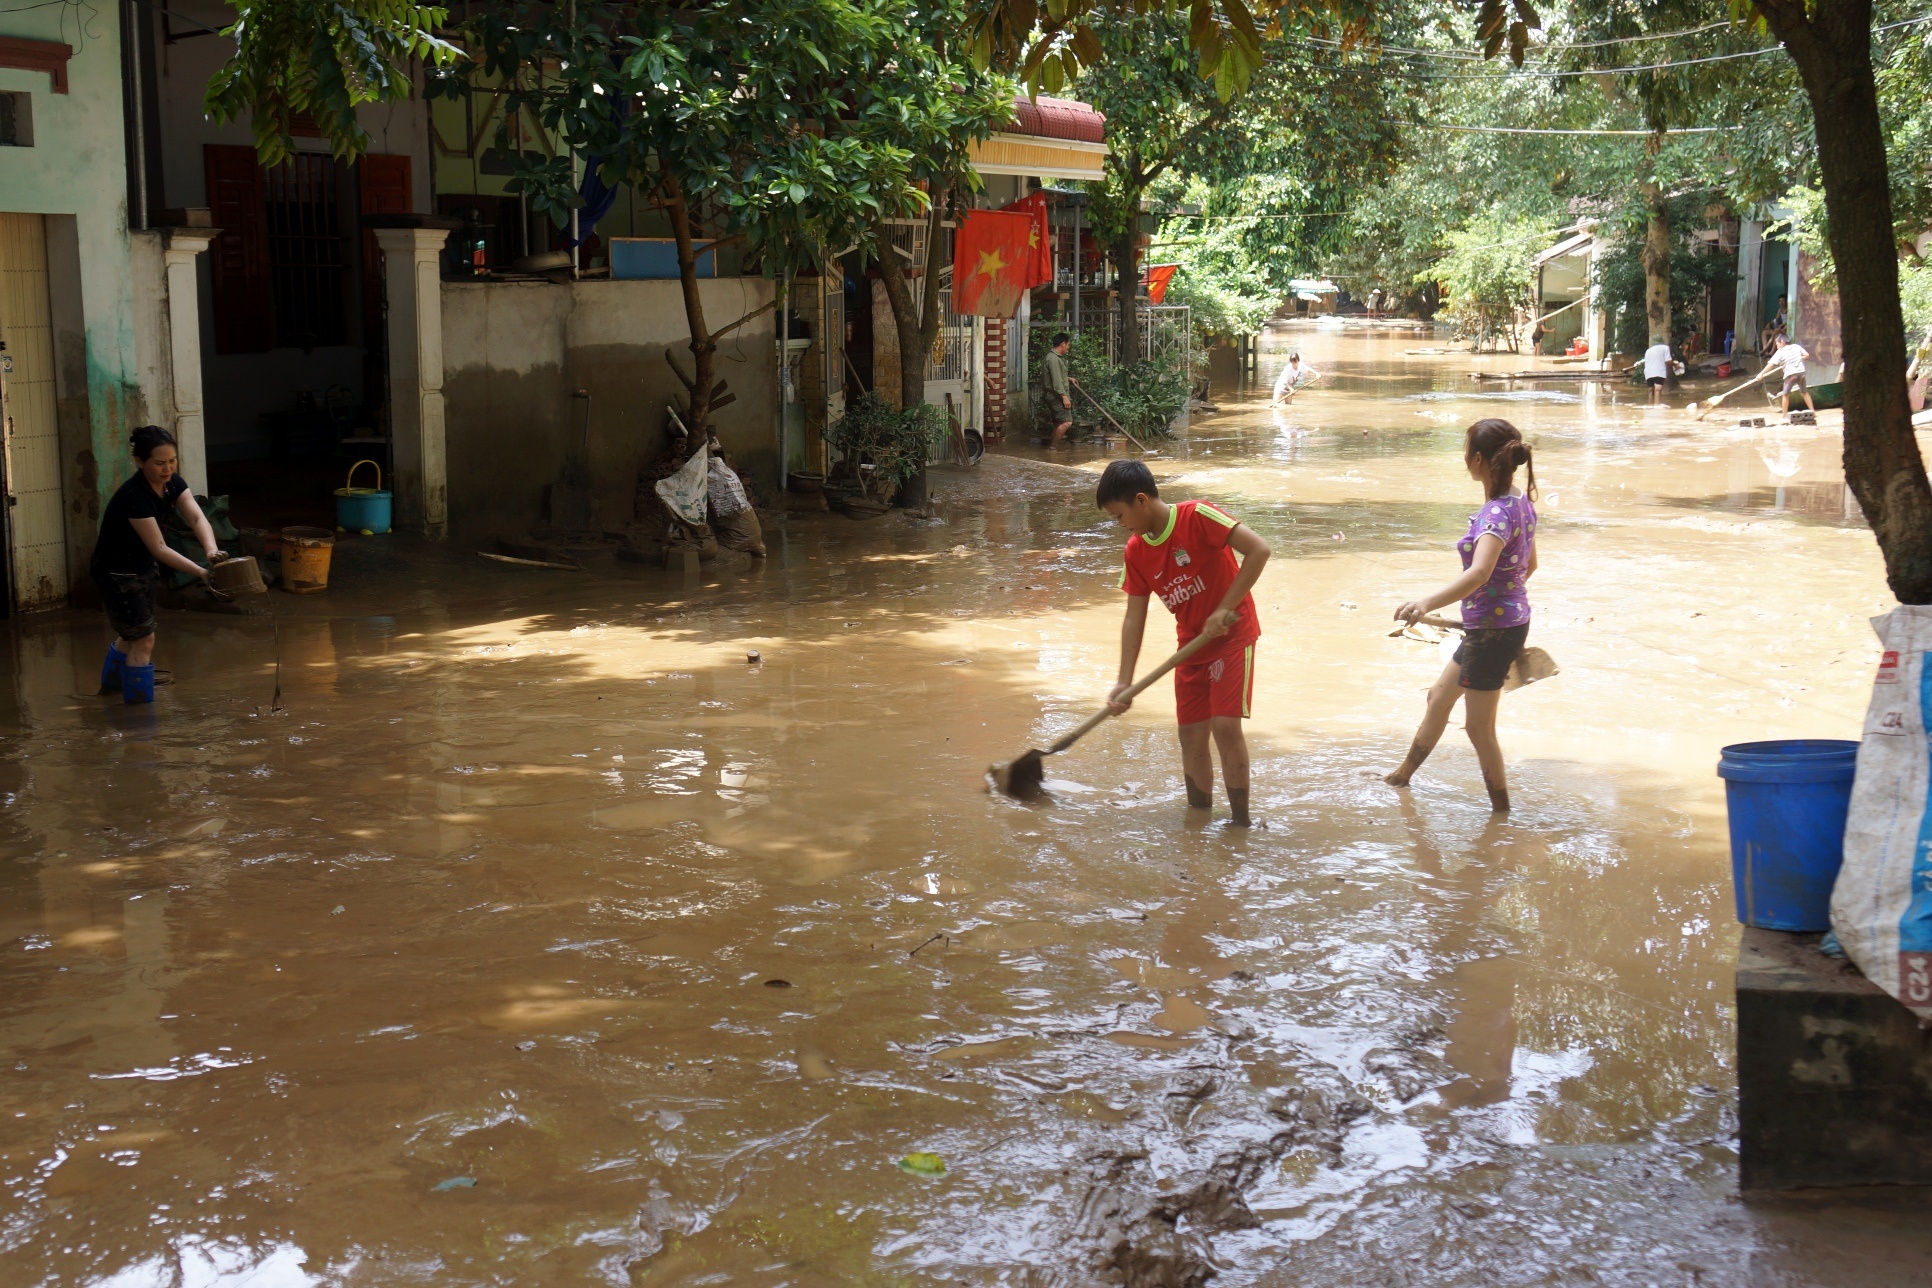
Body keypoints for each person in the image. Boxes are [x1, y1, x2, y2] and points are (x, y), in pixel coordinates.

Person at [1097, 459, 1271, 827]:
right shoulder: (1136, 551)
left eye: (1119, 516)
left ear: (1141, 501)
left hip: (1232, 636)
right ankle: (1199, 820)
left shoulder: (1199, 515)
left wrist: (1224, 608)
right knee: (1190, 735)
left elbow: (1259, 550)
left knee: (1224, 726)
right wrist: (1124, 681)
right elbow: (1134, 617)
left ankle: (1241, 825)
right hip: (1190, 647)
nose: (1121, 526)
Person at [1384, 419, 1538, 813]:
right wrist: (1498, 604)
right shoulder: (1520, 502)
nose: (1464, 458)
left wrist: (1426, 603)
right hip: (1496, 625)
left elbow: (1480, 572)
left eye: (1467, 450)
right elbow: (1528, 566)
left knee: (1478, 729)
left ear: (1481, 460)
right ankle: (1402, 776)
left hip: (1493, 632)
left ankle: (1502, 814)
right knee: (1438, 698)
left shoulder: (1494, 516)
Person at [91, 425, 223, 704]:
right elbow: (160, 548)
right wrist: (200, 571)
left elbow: (197, 518)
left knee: (132, 634)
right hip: (117, 572)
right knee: (143, 638)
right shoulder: (134, 496)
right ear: (140, 462)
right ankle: (139, 717)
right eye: (159, 463)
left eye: (172, 461)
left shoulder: (172, 484)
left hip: (142, 566)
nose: (168, 469)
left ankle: (111, 693)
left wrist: (211, 551)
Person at [1038, 332, 1074, 446]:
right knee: (1067, 422)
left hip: (1053, 395)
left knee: (1058, 423)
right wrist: (1064, 397)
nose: (1068, 348)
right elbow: (1056, 381)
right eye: (1068, 345)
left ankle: (1052, 449)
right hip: (1056, 396)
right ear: (1063, 344)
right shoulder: (1053, 359)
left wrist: (1067, 378)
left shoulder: (1052, 357)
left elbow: (1056, 375)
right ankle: (1052, 449)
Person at [1768, 335, 1815, 415]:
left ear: (1782, 342)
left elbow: (1771, 364)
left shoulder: (1781, 351)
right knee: (1804, 393)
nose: (1777, 347)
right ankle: (1813, 412)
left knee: (1785, 395)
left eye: (1777, 344)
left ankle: (1784, 417)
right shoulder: (1796, 347)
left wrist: (1761, 374)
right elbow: (1807, 355)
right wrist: (1799, 358)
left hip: (1791, 375)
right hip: (1801, 373)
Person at [1642, 336, 1673, 403]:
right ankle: (1657, 408)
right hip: (1659, 372)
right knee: (1658, 390)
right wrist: (1675, 364)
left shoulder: (1648, 351)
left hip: (1648, 373)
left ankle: (1650, 407)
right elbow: (1668, 361)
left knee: (1651, 391)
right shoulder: (1665, 348)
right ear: (1661, 341)